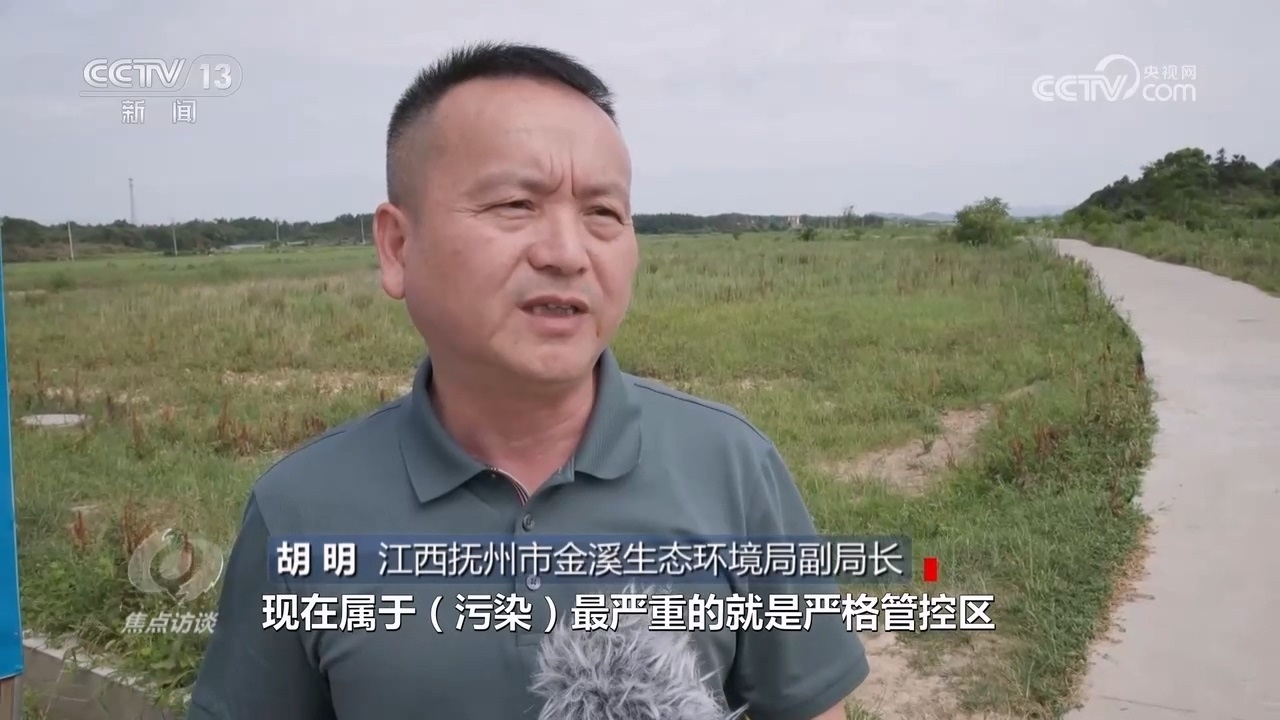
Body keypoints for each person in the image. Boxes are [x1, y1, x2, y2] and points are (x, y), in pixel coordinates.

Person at [187, 42, 869, 720]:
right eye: (516, 203)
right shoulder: (298, 514)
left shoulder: (731, 468)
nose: (568, 253)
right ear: (397, 247)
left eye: (603, 213)